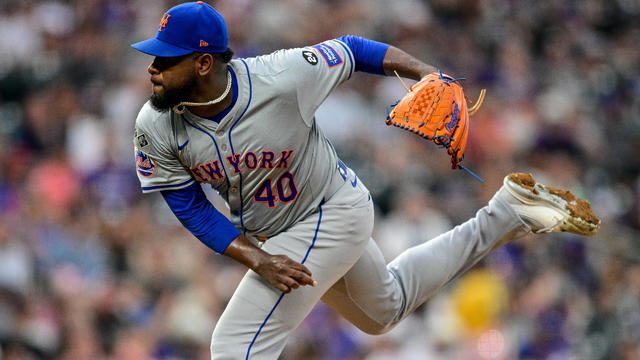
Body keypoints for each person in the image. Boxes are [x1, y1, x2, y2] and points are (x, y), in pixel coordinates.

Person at [130, 2, 599, 359]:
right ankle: (508, 213)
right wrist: (256, 256)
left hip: (332, 210)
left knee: (235, 346)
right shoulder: (154, 125)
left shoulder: (280, 77)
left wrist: (427, 73)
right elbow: (188, 205)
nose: (153, 67)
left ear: (204, 63)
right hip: (278, 231)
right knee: (384, 310)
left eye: (166, 60)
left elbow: (353, 50)